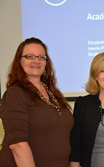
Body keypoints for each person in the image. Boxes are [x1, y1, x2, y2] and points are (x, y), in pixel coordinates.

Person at [0, 37, 73, 167]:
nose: (36, 61)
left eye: (41, 57)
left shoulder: (53, 93)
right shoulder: (15, 94)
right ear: (19, 61)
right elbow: (17, 144)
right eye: (30, 56)